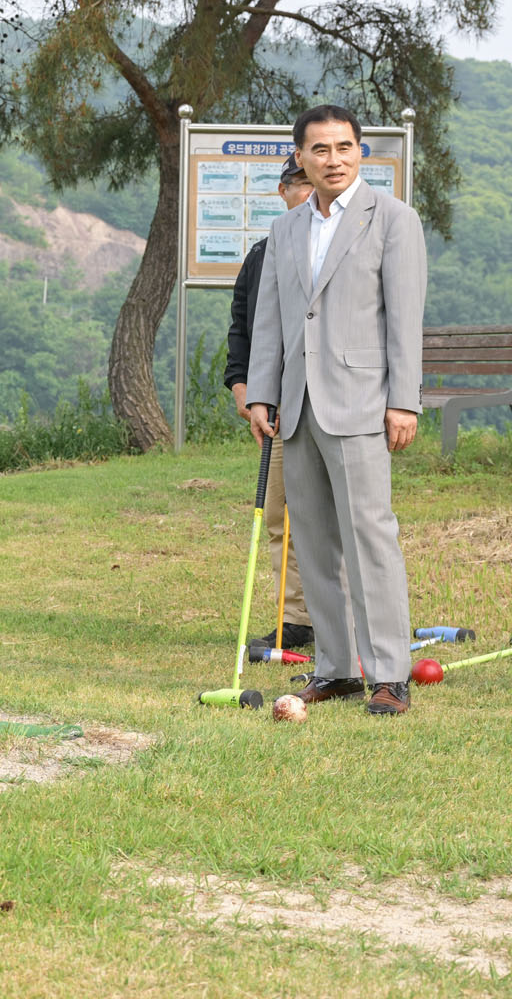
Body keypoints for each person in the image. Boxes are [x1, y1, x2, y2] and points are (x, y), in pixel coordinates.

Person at [245, 105, 426, 716]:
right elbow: (270, 318)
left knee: (370, 538)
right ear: (300, 157)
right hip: (297, 407)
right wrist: (262, 392)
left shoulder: (394, 220)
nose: (334, 159)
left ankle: (390, 675)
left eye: (344, 147)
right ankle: (337, 669)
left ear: (360, 152)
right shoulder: (285, 229)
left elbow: (404, 319)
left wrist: (403, 401)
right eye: (320, 149)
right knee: (315, 544)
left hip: (363, 404)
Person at [224, 153, 315, 650]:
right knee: (281, 516)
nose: (309, 191)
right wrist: (244, 389)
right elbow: (242, 327)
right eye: (299, 183)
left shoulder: (346, 244)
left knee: (346, 517)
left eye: (314, 183)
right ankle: (297, 617)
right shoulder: (262, 254)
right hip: (280, 409)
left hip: (339, 406)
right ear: (283, 192)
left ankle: (358, 616)